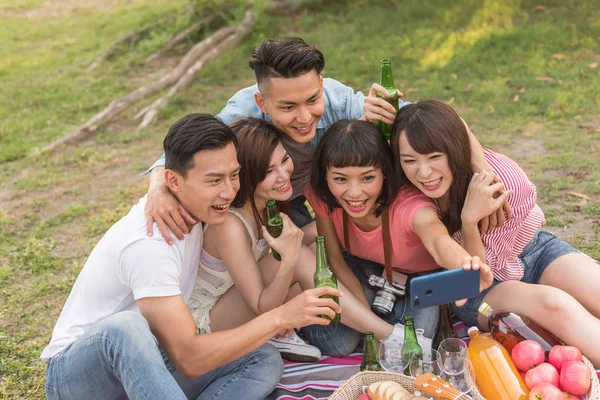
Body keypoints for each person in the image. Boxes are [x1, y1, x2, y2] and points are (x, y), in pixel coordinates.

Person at [41, 113, 341, 400]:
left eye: (234, 176)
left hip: (154, 361)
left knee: (262, 359)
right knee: (124, 329)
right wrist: (279, 317)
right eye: (214, 181)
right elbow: (189, 359)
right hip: (82, 378)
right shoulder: (150, 244)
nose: (228, 192)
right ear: (173, 181)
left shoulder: (199, 210)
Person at [390, 99, 600, 366]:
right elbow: (474, 278)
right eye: (410, 160)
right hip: (477, 288)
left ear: (454, 150)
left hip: (530, 250)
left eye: (434, 157)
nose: (424, 172)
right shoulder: (413, 200)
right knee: (556, 304)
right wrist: (469, 220)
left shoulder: (502, 178)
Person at [300, 119, 493, 357]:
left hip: (422, 282)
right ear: (326, 176)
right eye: (340, 179)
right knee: (339, 344)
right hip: (364, 268)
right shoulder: (324, 196)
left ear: (385, 173)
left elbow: (437, 240)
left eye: (367, 178)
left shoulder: (409, 205)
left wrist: (465, 266)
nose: (354, 192)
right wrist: (371, 327)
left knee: (411, 351)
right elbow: (336, 262)